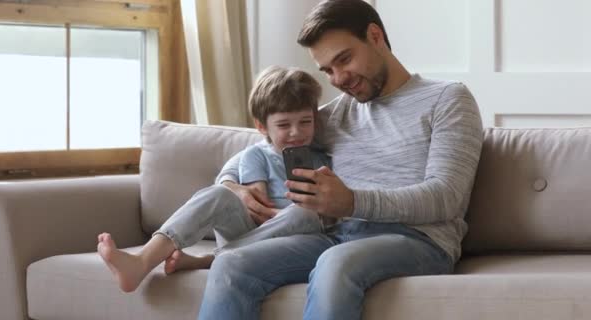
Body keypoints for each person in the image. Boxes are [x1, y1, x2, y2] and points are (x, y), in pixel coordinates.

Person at [198, 0, 484, 319]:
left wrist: (351, 202)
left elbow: (446, 197)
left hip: (420, 241)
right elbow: (259, 148)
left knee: (336, 262)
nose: (337, 79)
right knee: (231, 263)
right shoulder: (338, 114)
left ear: (375, 36)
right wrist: (231, 185)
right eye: (327, 70)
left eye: (344, 59)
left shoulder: (447, 99)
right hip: (339, 237)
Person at [96, 65, 331, 293]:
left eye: (305, 122)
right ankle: (142, 261)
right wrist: (280, 214)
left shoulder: (325, 160)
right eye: (283, 125)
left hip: (298, 243)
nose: (296, 132)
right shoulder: (254, 155)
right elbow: (259, 206)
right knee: (219, 193)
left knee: (305, 213)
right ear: (261, 126)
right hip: (254, 230)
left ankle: (209, 260)